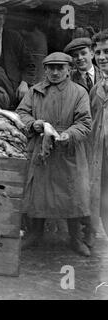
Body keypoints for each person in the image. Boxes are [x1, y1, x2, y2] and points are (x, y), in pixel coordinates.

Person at [16, 52, 92, 256]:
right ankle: (34, 233)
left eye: (60, 68)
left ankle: (76, 238)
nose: (55, 72)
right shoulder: (35, 92)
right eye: (51, 68)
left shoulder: (79, 93)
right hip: (42, 148)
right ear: (45, 69)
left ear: (69, 70)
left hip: (69, 150)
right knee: (38, 193)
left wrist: (69, 134)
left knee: (73, 194)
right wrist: (35, 124)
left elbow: (85, 123)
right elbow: (21, 114)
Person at [63, 37, 104, 249]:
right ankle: (76, 236)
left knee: (98, 188)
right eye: (75, 56)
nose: (80, 58)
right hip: (79, 141)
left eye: (84, 53)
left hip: (101, 140)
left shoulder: (103, 75)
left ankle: (91, 232)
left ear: (92, 53)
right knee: (78, 188)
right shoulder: (68, 80)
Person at [87, 29, 108, 240]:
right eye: (99, 52)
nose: (102, 57)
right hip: (101, 159)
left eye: (107, 51)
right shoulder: (96, 90)